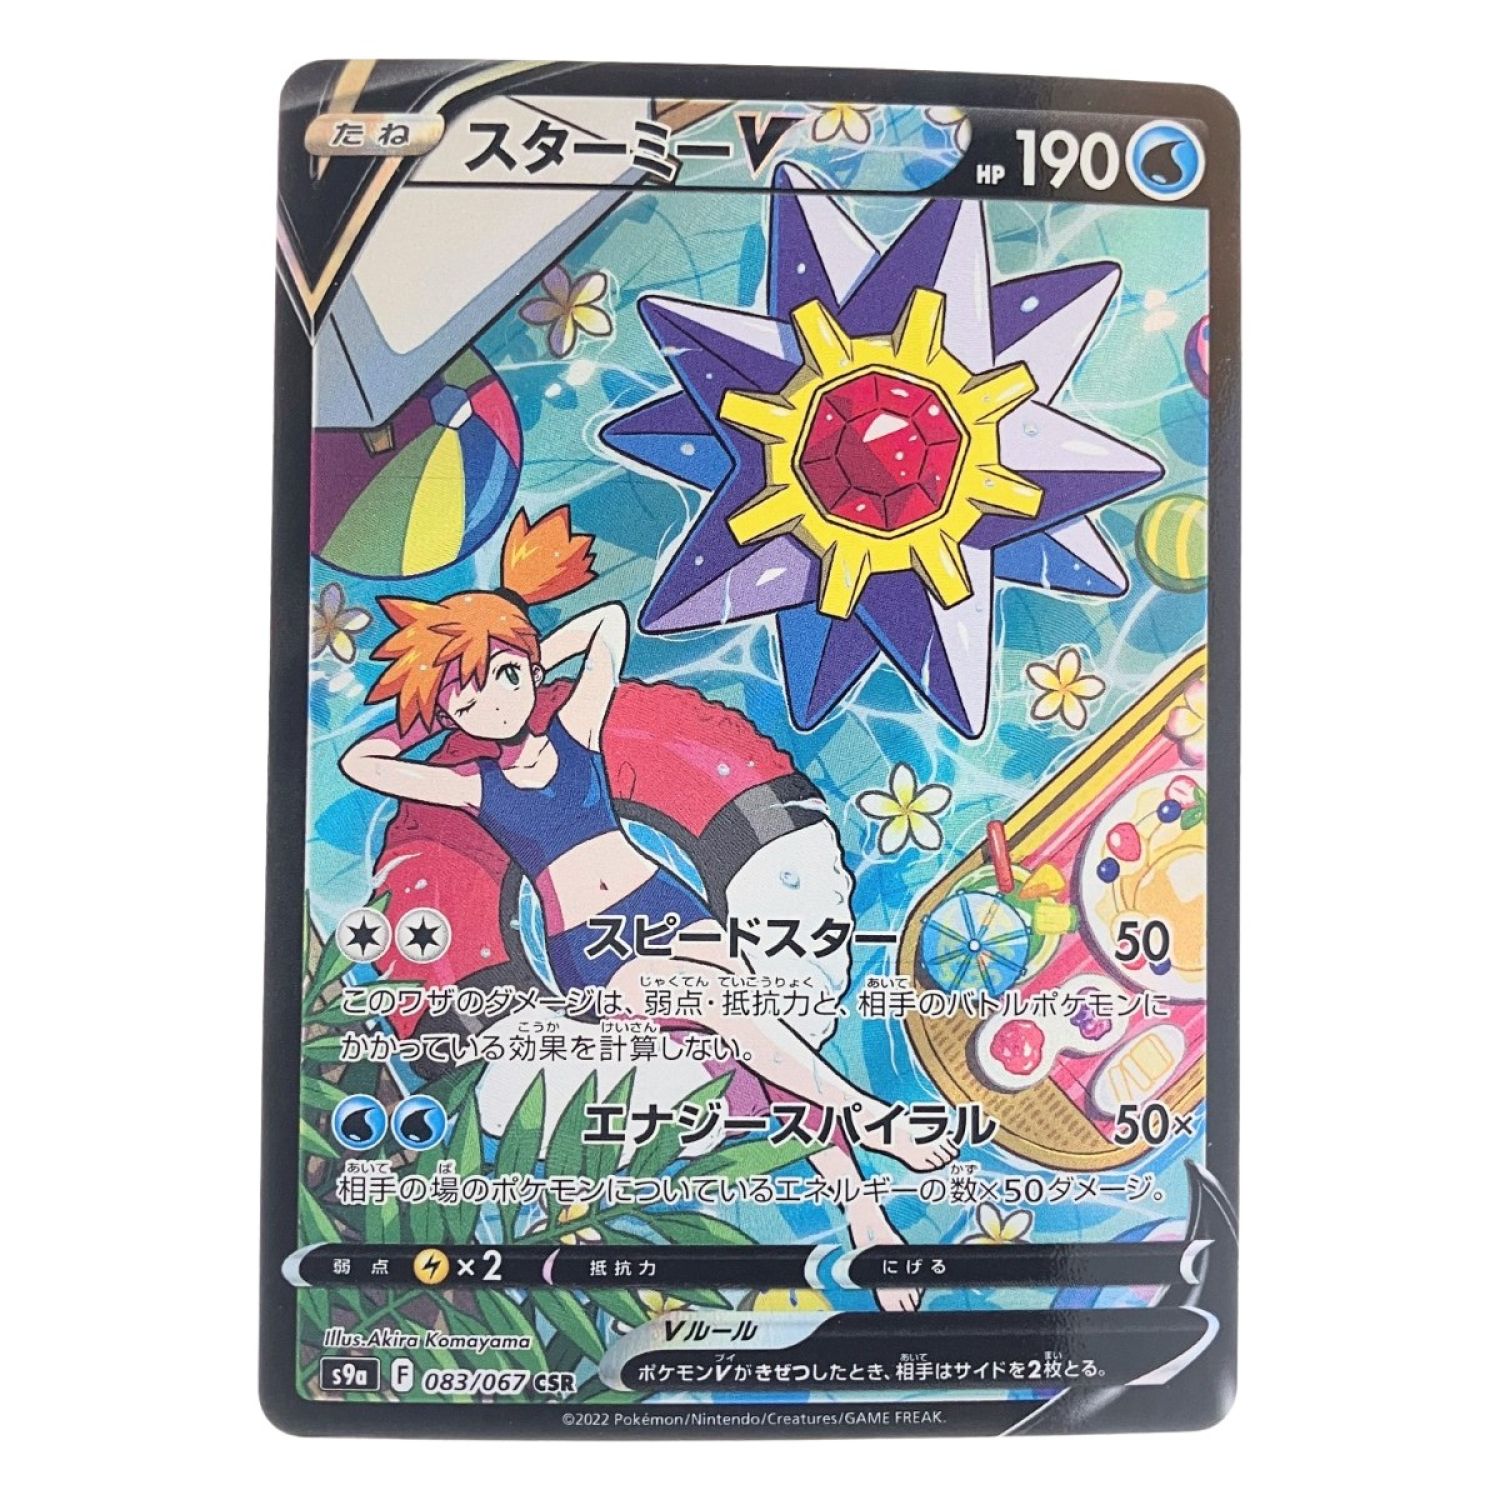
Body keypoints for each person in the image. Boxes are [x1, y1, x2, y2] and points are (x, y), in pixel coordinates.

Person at [340, 506, 958, 1308]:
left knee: (750, 1050)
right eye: (470, 697)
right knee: (728, 1010)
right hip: (591, 946)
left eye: (505, 678)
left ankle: (867, 1217)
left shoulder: (576, 729)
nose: (493, 702)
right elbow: (363, 763)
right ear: (454, 713)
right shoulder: (473, 785)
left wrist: (527, 650)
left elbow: (606, 624)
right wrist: (424, 703)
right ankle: (873, 1119)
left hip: (667, 907)